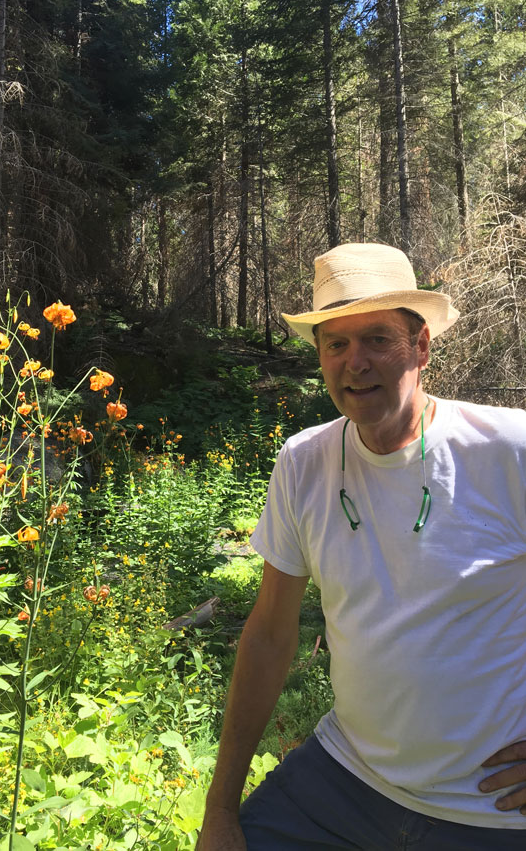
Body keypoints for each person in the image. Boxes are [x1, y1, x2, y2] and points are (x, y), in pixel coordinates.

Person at [198, 242, 526, 850]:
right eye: (337, 344)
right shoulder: (304, 462)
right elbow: (270, 633)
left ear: (421, 346)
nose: (356, 363)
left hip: (490, 807)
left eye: (378, 339)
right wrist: (220, 811)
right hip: (345, 782)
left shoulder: (507, 451)